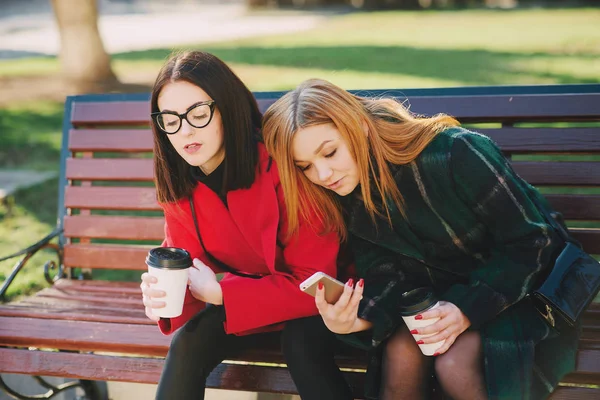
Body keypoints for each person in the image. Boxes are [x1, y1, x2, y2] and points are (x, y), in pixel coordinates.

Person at [262, 78, 580, 400]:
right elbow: (386, 275)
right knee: (402, 352)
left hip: (522, 289)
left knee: (453, 364)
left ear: (360, 127)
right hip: (438, 304)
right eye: (305, 167)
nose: (323, 174)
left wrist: (464, 308)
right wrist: (354, 323)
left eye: (329, 153)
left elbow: (536, 243)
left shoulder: (455, 152)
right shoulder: (345, 190)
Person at [140, 53, 354, 400]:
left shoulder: (282, 164)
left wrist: (222, 293)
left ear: (228, 108)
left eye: (198, 114)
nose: (186, 131)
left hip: (326, 301)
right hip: (248, 307)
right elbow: (191, 271)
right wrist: (165, 295)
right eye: (171, 120)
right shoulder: (181, 187)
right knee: (189, 342)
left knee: (301, 344)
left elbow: (314, 281)